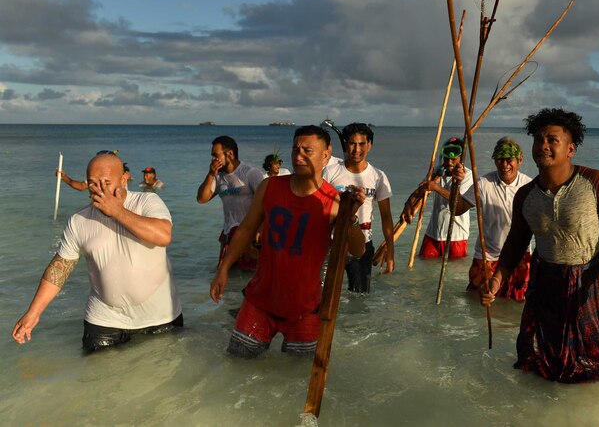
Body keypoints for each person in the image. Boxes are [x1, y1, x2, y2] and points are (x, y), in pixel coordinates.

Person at [480, 108, 599, 383]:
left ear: (571, 148)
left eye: (552, 140)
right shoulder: (525, 195)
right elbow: (516, 243)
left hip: (592, 281)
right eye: (538, 139)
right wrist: (496, 280)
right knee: (539, 359)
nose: (543, 145)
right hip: (546, 281)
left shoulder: (595, 182)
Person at [209, 125, 367, 358]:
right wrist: (223, 269)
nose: (298, 155)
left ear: (326, 155)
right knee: (236, 363)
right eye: (295, 149)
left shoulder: (334, 201)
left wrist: (350, 216)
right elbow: (246, 230)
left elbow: (358, 249)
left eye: (307, 151)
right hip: (260, 301)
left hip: (305, 308)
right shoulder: (270, 186)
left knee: (296, 377)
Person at [13, 153, 182, 352]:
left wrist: (117, 211)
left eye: (106, 182)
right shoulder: (79, 220)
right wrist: (34, 312)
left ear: (124, 180)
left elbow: (163, 236)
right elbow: (60, 268)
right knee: (96, 380)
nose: (98, 189)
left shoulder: (147, 201)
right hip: (104, 319)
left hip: (160, 316)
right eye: (92, 183)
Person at [451, 137, 533, 301]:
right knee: (477, 302)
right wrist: (456, 184)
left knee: (517, 303)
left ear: (520, 160)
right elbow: (457, 210)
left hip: (519, 256)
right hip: (487, 257)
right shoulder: (483, 183)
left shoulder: (529, 185)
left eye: (509, 160)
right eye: (500, 160)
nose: (504, 165)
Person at [323, 123, 396, 292]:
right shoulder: (330, 172)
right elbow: (320, 209)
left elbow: (386, 217)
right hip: (332, 243)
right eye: (352, 143)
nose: (356, 149)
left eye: (362, 144)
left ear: (369, 145)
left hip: (363, 244)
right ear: (345, 144)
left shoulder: (378, 176)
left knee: (360, 296)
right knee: (325, 293)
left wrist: (390, 251)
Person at [196, 136, 265, 272]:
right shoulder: (218, 177)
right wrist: (210, 175)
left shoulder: (250, 173)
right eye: (212, 156)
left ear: (230, 154)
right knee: (225, 276)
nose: (213, 160)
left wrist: (261, 228)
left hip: (250, 236)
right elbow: (201, 199)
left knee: (252, 276)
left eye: (216, 156)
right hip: (228, 235)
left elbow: (266, 202)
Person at [402, 137, 472, 260]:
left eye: (453, 159)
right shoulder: (437, 172)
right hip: (433, 234)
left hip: (456, 236)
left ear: (461, 158)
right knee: (425, 266)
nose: (449, 162)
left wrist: (436, 188)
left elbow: (458, 201)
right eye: (446, 158)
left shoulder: (467, 175)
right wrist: (408, 202)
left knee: (452, 273)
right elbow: (421, 189)